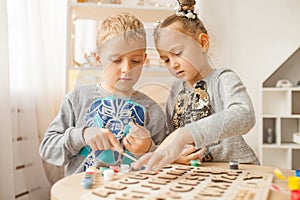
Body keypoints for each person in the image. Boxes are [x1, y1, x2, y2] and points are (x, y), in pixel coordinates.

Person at [133, 0, 259, 171]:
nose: (173, 64)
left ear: (202, 43)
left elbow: (244, 115)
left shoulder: (223, 79)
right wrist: (160, 150)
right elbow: (173, 143)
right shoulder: (174, 93)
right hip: (197, 174)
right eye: (166, 59)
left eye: (177, 53)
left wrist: (186, 134)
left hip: (236, 169)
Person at [39, 13, 167, 176]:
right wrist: (82, 135)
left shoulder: (152, 110)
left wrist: (148, 148)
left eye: (135, 61)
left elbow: (166, 160)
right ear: (98, 58)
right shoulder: (77, 100)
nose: (126, 69)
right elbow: (48, 150)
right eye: (116, 60)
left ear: (144, 59)